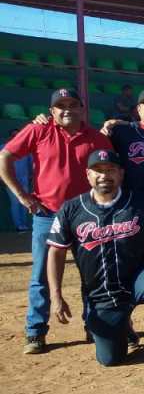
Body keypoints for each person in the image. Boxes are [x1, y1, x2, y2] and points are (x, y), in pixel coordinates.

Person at [46, 149, 144, 372]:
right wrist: (56, 295)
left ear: (121, 174)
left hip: (139, 278)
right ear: (88, 175)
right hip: (101, 292)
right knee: (110, 359)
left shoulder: (142, 204)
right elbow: (56, 252)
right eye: (98, 171)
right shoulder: (71, 209)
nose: (104, 175)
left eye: (110, 170)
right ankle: (124, 327)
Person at [0, 87, 112, 354]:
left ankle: (93, 326)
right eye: (61, 106)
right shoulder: (38, 130)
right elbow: (5, 156)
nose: (67, 110)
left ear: (81, 109)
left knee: (93, 274)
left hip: (86, 214)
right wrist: (22, 196)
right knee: (41, 274)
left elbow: (113, 170)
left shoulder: (96, 138)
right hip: (47, 214)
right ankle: (35, 331)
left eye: (73, 105)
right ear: (52, 111)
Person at [2, 129, 31, 231]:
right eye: (14, 135)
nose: (16, 137)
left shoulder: (26, 148)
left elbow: (30, 164)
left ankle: (23, 225)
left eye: (18, 135)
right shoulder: (3, 148)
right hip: (10, 181)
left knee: (25, 202)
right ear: (10, 137)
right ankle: (18, 225)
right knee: (15, 203)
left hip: (24, 180)